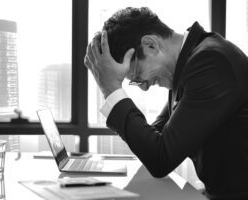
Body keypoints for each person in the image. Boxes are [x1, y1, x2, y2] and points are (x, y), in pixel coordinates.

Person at [84, 7, 248, 200]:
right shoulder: (188, 64)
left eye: (137, 76)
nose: (144, 88)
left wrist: (111, 89)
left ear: (150, 45)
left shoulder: (210, 62)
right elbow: (157, 137)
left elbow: (160, 158)